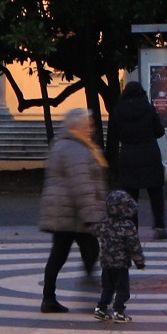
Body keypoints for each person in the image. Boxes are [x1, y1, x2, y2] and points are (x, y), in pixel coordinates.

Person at [38, 108, 106, 313]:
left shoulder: (67, 144)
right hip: (72, 213)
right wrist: (90, 216)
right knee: (85, 250)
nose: (91, 128)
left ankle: (51, 297)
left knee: (62, 253)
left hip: (65, 211)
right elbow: (81, 184)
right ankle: (92, 287)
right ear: (78, 126)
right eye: (88, 124)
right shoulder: (76, 149)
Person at [107, 77, 167, 240]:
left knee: (130, 194)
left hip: (128, 155)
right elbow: (159, 131)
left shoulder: (118, 111)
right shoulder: (148, 109)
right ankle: (159, 226)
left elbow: (114, 135)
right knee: (155, 191)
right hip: (149, 154)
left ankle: (132, 229)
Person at [94, 190, 140, 322]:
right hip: (121, 265)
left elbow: (96, 231)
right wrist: (140, 262)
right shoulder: (128, 226)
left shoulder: (104, 223)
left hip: (106, 264)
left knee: (107, 288)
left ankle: (101, 309)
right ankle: (119, 311)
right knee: (122, 289)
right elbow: (134, 246)